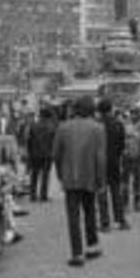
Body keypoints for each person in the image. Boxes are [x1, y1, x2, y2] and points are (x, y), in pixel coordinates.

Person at [52, 96, 107, 267]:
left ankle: (77, 253)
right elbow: (100, 157)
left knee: (73, 216)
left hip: (70, 177)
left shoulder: (63, 127)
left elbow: (56, 154)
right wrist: (101, 180)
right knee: (90, 210)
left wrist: (61, 174)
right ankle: (92, 246)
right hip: (90, 175)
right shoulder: (98, 128)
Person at [97, 99, 129, 231]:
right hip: (114, 161)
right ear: (110, 109)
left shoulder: (96, 124)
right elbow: (122, 145)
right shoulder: (118, 124)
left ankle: (105, 223)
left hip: (100, 162)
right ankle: (121, 220)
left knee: (102, 192)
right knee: (116, 191)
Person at [27, 107, 57, 202]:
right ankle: (43, 195)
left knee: (34, 174)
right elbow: (54, 142)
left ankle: (33, 195)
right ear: (48, 117)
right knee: (45, 175)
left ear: (40, 116)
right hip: (47, 154)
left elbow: (29, 140)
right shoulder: (52, 127)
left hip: (35, 153)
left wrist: (30, 152)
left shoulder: (33, 126)